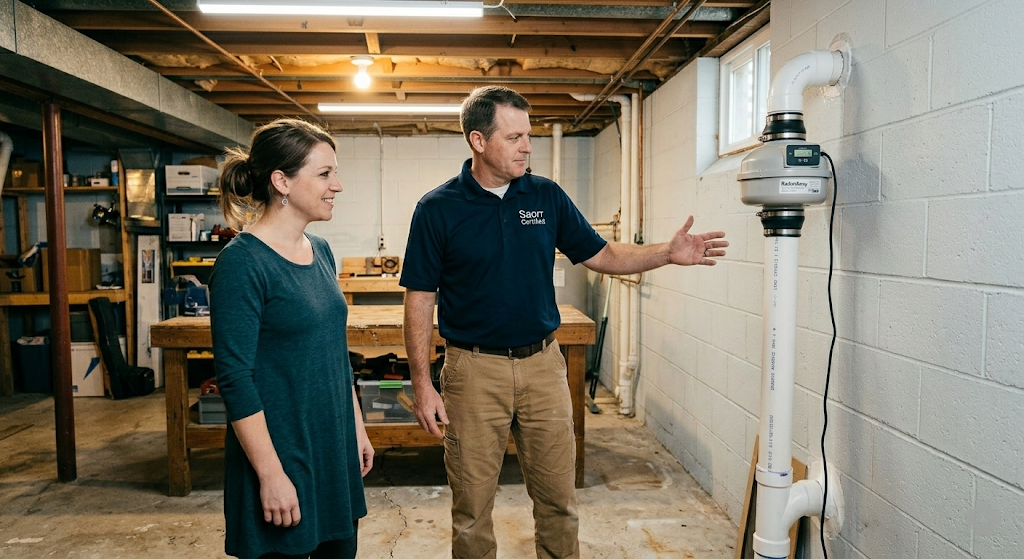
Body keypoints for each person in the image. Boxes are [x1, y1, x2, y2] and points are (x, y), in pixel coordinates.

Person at [400, 86, 729, 559]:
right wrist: (422, 382)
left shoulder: (546, 196)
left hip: (542, 366)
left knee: (558, 501)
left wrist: (666, 254)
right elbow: (420, 297)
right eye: (514, 137)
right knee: (472, 509)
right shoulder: (437, 209)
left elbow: (603, 253)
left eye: (528, 135)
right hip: (473, 372)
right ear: (477, 140)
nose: (527, 146)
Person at [209, 118, 374, 559]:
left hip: (331, 446)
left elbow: (335, 354)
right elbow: (235, 379)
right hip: (282, 453)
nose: (337, 185)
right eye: (324, 174)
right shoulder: (242, 264)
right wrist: (270, 474)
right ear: (281, 181)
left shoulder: (319, 250)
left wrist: (355, 427)